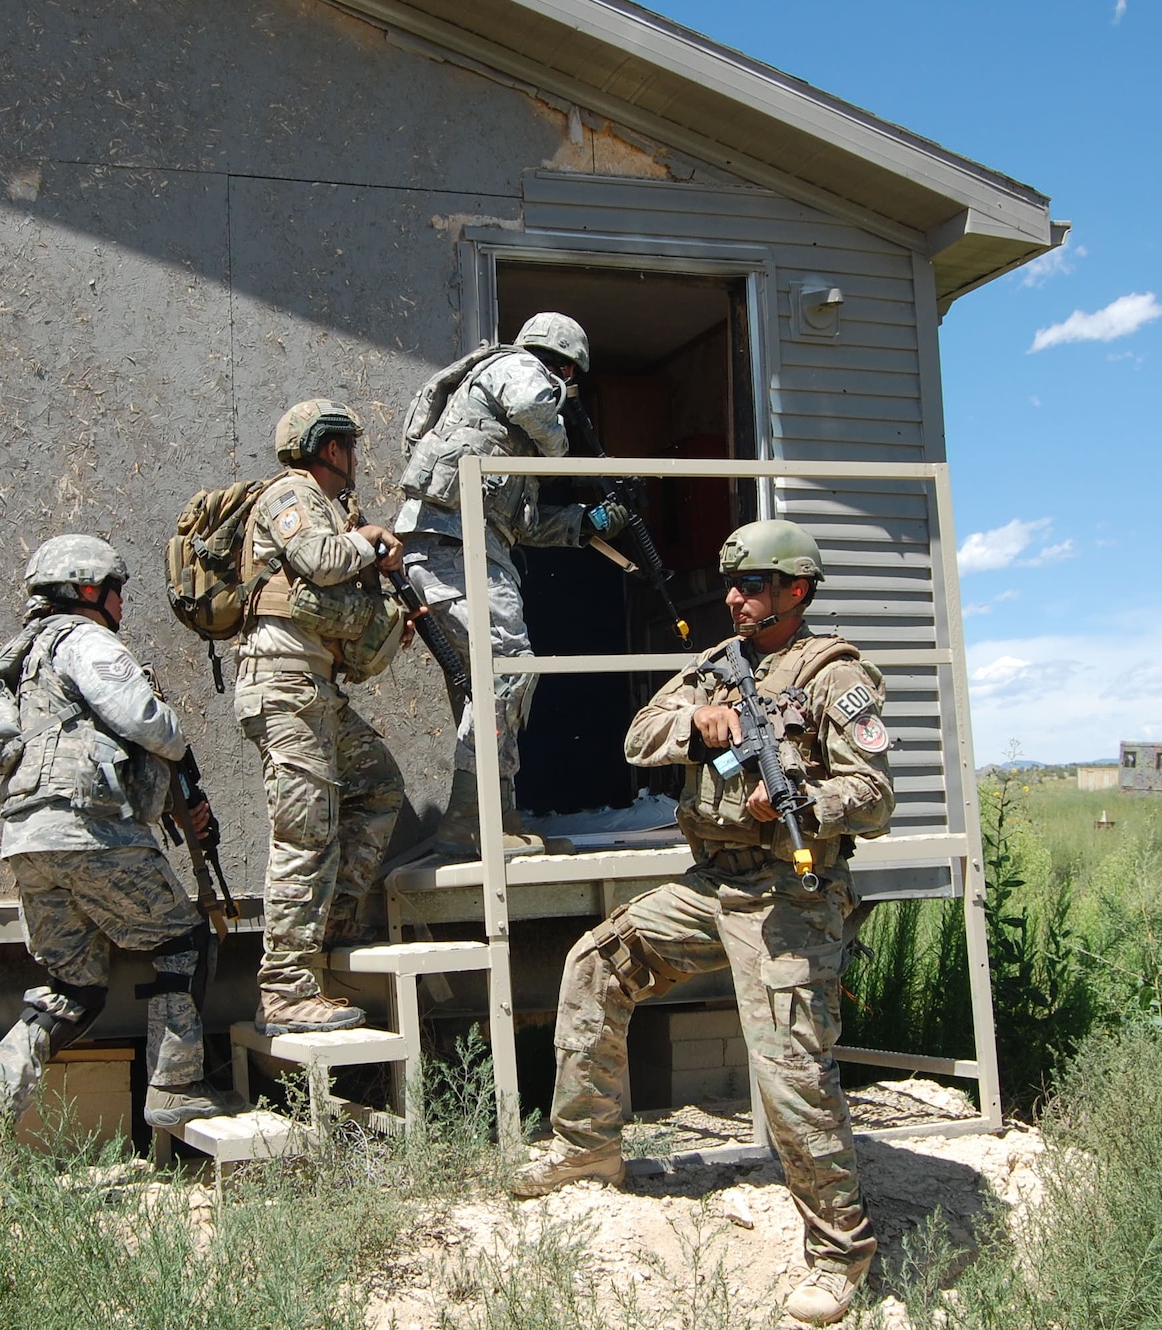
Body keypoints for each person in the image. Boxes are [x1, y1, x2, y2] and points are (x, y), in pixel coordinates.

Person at [511, 520, 895, 1328]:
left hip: (792, 896)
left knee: (789, 1066)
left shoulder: (837, 675)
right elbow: (638, 735)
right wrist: (700, 725)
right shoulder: (716, 671)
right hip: (712, 884)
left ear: (796, 590)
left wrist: (802, 801)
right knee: (597, 960)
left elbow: (877, 797)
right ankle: (588, 1149)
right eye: (732, 583)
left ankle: (840, 1251)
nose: (734, 596)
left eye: (752, 584)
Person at [0, 535, 234, 1146]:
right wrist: (175, 738)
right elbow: (141, 718)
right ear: (87, 591)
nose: (122, 607)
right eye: (116, 592)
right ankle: (177, 1088)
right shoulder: (84, 640)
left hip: (28, 839)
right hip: (90, 829)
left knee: (74, 987)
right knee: (183, 939)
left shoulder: (15, 660)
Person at [394, 312, 629, 854]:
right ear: (562, 364)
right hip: (452, 545)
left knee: (491, 684)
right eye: (568, 376)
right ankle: (466, 823)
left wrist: (586, 523)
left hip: (468, 546)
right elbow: (535, 407)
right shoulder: (514, 367)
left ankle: (497, 820)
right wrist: (567, 437)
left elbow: (519, 524)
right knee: (508, 666)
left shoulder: (504, 442)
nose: (566, 387)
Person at [236, 399, 406, 1036]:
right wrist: (365, 544)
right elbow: (319, 561)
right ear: (330, 449)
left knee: (379, 787)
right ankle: (284, 990)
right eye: (352, 448)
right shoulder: (292, 494)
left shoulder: (337, 512)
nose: (356, 460)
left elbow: (338, 619)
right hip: (282, 690)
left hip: (316, 691)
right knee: (304, 832)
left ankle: (328, 924)